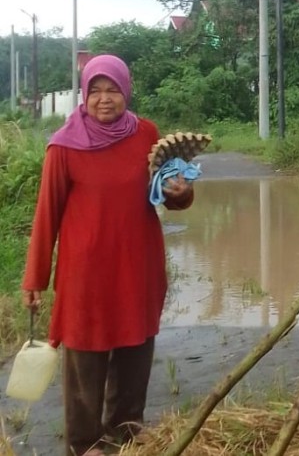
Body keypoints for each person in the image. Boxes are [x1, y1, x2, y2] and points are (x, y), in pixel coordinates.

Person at [21, 54, 195, 456]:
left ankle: (126, 429)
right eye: (95, 90)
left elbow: (170, 193)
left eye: (112, 90)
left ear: (126, 91)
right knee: (86, 350)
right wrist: (35, 278)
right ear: (83, 95)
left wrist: (182, 194)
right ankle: (84, 442)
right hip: (85, 269)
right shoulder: (63, 146)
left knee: (136, 344)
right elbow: (46, 214)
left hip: (138, 262)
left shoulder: (147, 134)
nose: (104, 99)